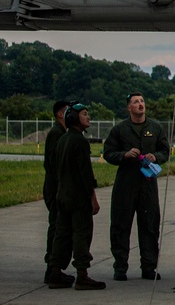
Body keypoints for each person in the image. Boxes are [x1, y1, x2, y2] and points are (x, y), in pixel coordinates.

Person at [102, 92, 170, 281]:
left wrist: (155, 157)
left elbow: (165, 150)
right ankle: (120, 267)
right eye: (135, 102)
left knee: (149, 226)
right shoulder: (120, 130)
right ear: (129, 108)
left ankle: (148, 267)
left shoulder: (155, 128)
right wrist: (124, 154)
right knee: (120, 226)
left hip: (147, 184)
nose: (140, 104)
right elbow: (108, 153)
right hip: (125, 184)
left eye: (142, 101)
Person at [48, 102, 105, 290]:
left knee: (62, 235)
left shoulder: (63, 139)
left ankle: (54, 273)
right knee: (81, 233)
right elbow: (85, 174)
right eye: (84, 114)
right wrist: (93, 198)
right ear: (74, 118)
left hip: (62, 196)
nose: (88, 117)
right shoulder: (79, 141)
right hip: (78, 198)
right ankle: (82, 274)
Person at [43, 100, 75, 287]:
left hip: (58, 187)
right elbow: (55, 164)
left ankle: (55, 268)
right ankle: (52, 268)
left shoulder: (62, 133)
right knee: (57, 228)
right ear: (61, 114)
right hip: (56, 187)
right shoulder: (57, 134)